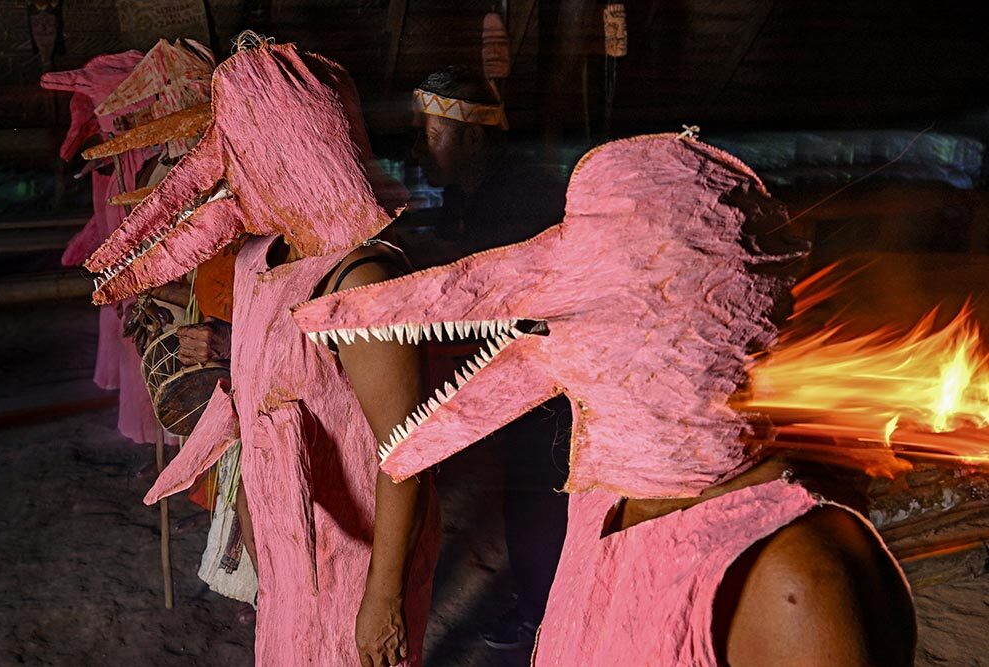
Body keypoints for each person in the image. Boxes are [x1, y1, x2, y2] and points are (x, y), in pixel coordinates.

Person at [291, 133, 915, 665]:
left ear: (663, 338)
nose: (548, 321)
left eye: (588, 298)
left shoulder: (797, 576)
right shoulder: (605, 496)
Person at [89, 40, 439, 665]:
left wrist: (382, 598)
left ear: (286, 151)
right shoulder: (260, 257)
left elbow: (408, 452)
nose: (229, 170)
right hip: (288, 549)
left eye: (238, 150)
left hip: (357, 557)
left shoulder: (360, 280)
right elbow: (274, 379)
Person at [410, 65, 571, 648]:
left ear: (472, 138)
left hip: (551, 372)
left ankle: (544, 617)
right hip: (529, 365)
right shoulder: (487, 190)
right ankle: (538, 601)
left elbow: (496, 285)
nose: (421, 150)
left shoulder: (517, 194)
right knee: (528, 490)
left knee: (539, 494)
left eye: (432, 136)